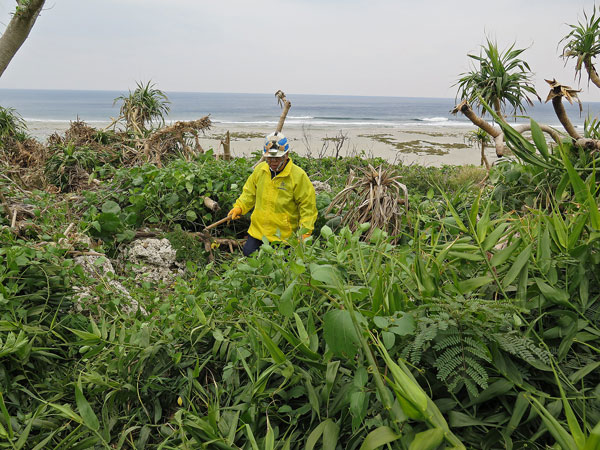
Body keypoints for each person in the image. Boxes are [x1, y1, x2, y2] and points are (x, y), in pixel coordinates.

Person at [228, 131, 318, 256]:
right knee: (249, 255)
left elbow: (307, 207)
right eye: (270, 158)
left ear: (286, 155)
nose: (273, 161)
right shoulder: (260, 170)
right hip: (258, 232)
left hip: (284, 236)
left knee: (281, 268)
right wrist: (240, 207)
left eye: (277, 157)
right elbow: (249, 193)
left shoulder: (298, 176)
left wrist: (305, 232)